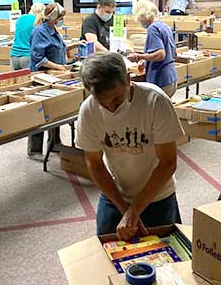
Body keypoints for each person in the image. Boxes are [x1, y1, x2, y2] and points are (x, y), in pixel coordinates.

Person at [76, 52, 184, 239]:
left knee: (166, 260)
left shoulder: (155, 101)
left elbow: (167, 163)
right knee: (106, 254)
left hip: (158, 195)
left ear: (128, 78)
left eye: (116, 99)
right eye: (103, 103)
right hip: (116, 194)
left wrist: (133, 212)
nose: (111, 108)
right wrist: (125, 209)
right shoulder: (89, 110)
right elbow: (95, 164)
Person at [28, 2, 69, 161]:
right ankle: (35, 150)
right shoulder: (40, 32)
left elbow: (58, 48)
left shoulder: (53, 29)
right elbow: (38, 58)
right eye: (61, 17)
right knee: (39, 113)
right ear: (54, 18)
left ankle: (54, 144)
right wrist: (57, 66)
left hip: (55, 76)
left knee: (55, 111)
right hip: (41, 77)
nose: (62, 20)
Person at [128, 0, 178, 98]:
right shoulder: (164, 26)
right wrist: (147, 62)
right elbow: (173, 54)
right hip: (171, 77)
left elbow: (160, 54)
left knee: (155, 111)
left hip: (161, 78)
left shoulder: (152, 29)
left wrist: (138, 57)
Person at [10, 2, 45, 70]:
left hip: (14, 54)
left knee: (16, 80)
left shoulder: (20, 18)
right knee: (30, 79)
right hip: (27, 56)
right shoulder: (37, 22)